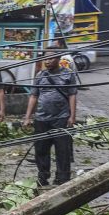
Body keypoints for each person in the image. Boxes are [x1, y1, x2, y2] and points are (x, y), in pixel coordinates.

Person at [23, 45, 78, 187]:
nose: (47, 61)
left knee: (62, 150)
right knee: (41, 149)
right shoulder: (40, 75)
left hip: (61, 117)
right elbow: (33, 96)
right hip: (41, 118)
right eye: (45, 58)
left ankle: (62, 177)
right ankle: (43, 176)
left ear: (58, 59)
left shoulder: (68, 74)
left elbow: (72, 95)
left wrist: (72, 116)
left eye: (51, 58)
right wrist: (28, 117)